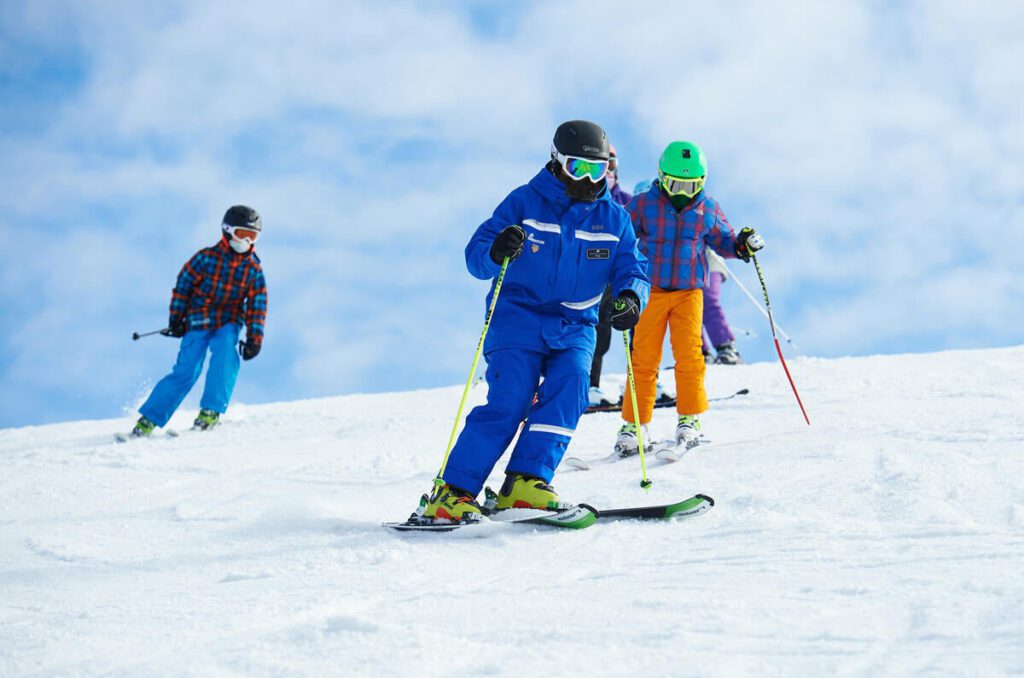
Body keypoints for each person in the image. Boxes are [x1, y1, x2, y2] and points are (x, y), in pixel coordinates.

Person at [423, 120, 651, 523]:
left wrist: (631, 296)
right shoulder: (524, 202)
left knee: (572, 389)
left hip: (577, 324)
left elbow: (633, 267)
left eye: (596, 170)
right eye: (578, 167)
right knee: (511, 397)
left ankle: (526, 482)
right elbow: (476, 255)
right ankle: (452, 492)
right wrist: (496, 249)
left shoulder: (615, 220)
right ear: (556, 161)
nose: (587, 178)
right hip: (518, 316)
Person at [615, 142, 763, 454]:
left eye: (690, 185)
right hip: (651, 290)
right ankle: (634, 424)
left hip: (688, 293)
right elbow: (621, 232)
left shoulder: (707, 208)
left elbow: (724, 239)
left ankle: (689, 419)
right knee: (643, 359)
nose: (682, 192)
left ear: (702, 182)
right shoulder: (643, 204)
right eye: (675, 184)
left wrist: (742, 245)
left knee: (690, 356)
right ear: (661, 177)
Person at [129, 205, 268, 436]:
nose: (246, 241)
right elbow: (183, 286)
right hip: (199, 320)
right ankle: (149, 419)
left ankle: (210, 412)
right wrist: (176, 319)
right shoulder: (205, 258)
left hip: (228, 321)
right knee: (187, 370)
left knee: (225, 353)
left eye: (252, 236)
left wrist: (254, 339)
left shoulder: (253, 270)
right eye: (241, 234)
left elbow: (257, 305)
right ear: (227, 231)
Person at [588, 144, 632, 407]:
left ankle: (639, 383)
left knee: (635, 324)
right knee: (598, 330)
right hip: (597, 276)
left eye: (611, 165)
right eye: (601, 166)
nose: (607, 172)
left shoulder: (627, 201)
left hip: (624, 274)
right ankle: (590, 385)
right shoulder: (587, 198)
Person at [702, 251, 742, 364]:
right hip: (683, 268)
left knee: (707, 298)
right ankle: (700, 352)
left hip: (709, 262)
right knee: (686, 307)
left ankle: (726, 347)